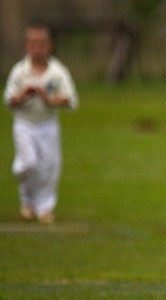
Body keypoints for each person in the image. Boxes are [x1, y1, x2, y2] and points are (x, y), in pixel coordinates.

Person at [3, 23, 78, 224]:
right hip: (24, 125)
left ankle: (44, 209)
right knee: (27, 165)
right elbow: (9, 100)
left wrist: (49, 99)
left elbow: (70, 99)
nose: (38, 48)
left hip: (48, 125)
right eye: (33, 43)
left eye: (42, 43)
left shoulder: (57, 72)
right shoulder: (20, 71)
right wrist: (23, 96)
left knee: (48, 168)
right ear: (26, 46)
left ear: (50, 45)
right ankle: (28, 201)